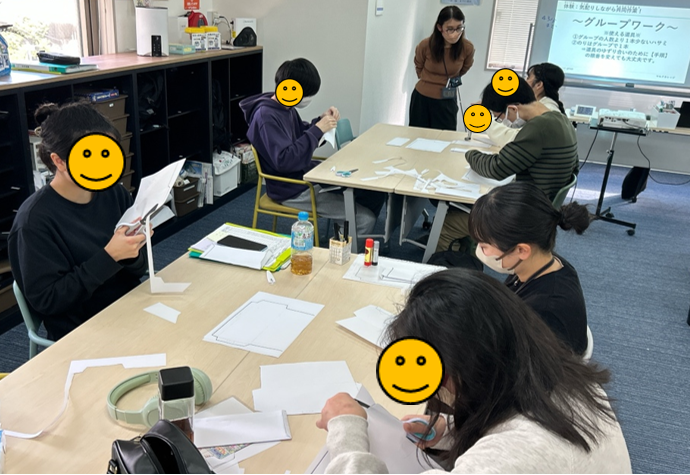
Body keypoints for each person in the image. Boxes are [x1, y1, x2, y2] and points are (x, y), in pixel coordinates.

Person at [316, 269, 632, 473]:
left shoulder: (510, 458)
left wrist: (346, 431)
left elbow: (516, 455)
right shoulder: (558, 376)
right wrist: (451, 431)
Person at [9, 102, 149, 341]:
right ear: (59, 161)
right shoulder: (34, 222)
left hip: (131, 308)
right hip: (81, 330)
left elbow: (139, 269)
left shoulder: (114, 193)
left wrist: (132, 250)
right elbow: (48, 301)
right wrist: (110, 256)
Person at [240, 58, 383, 237]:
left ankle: (344, 237)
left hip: (305, 175)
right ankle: (348, 247)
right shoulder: (266, 117)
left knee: (373, 192)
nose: (307, 99)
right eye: (306, 94)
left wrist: (320, 122)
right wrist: (317, 130)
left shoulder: (286, 107)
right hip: (292, 188)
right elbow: (285, 161)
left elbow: (301, 134)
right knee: (364, 219)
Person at [437, 76, 578, 252]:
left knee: (446, 224)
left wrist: (470, 154)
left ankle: (454, 263)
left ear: (512, 108)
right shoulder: (561, 120)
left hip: (525, 215)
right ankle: (470, 255)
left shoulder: (538, 128)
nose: (506, 122)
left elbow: (497, 168)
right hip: (540, 207)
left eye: (501, 117)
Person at [470, 181, 590, 354]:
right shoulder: (543, 264)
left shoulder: (545, 312)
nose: (481, 251)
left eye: (484, 246)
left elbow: (523, 364)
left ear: (522, 250)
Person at [409, 6, 475, 131]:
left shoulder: (467, 48)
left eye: (459, 28)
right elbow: (419, 65)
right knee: (418, 135)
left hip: (447, 97)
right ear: (440, 27)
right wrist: (430, 81)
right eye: (450, 29)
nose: (455, 33)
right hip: (422, 97)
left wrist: (449, 78)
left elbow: (465, 67)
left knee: (446, 136)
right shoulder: (425, 45)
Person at [486, 62, 567, 146]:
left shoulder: (547, 112)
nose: (525, 81)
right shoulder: (541, 107)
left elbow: (516, 140)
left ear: (538, 85)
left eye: (528, 78)